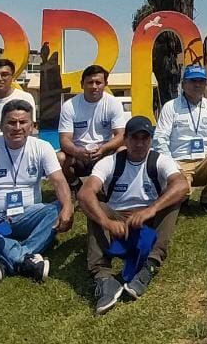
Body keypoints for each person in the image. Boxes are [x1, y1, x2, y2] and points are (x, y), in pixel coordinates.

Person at [79, 117, 189, 315]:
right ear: (125, 140)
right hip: (117, 224)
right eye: (134, 138)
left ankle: (150, 264)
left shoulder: (160, 161)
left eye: (144, 138)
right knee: (95, 205)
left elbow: (182, 185)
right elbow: (85, 193)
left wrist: (152, 209)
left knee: (173, 199)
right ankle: (103, 277)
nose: (139, 143)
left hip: (146, 226)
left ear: (150, 140)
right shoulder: (110, 163)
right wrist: (107, 222)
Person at [0, 100, 73, 283]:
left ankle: (11, 257)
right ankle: (27, 259)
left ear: (32, 126)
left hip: (28, 215)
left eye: (23, 122)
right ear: (1, 126)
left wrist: (68, 207)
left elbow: (59, 181)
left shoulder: (42, 147)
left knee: (57, 208)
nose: (17, 127)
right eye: (11, 122)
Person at [153, 65, 207, 213]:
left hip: (205, 162)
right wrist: (170, 164)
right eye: (192, 81)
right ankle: (182, 199)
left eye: (201, 81)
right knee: (181, 193)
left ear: (206, 84)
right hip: (179, 162)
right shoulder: (170, 107)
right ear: (184, 84)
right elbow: (160, 139)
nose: (197, 85)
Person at [57, 64, 126, 186]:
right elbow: (64, 140)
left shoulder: (113, 103)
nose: (94, 87)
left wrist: (103, 149)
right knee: (60, 158)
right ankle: (75, 185)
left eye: (98, 83)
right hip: (77, 153)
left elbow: (121, 135)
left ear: (105, 84)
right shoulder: (69, 106)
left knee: (123, 151)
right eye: (90, 82)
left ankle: (110, 188)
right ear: (82, 84)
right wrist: (78, 151)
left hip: (104, 152)